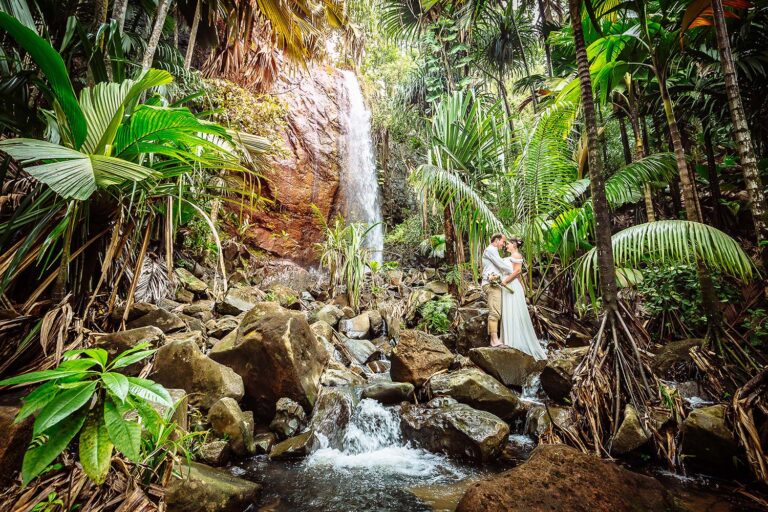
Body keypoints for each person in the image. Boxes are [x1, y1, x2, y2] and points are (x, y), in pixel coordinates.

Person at [500, 237, 547, 360]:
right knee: (509, 312)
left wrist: (505, 281)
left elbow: (517, 271)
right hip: (508, 286)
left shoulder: (517, 255)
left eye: (508, 244)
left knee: (514, 312)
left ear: (514, 245)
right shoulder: (511, 256)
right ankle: (508, 340)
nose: (506, 246)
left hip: (511, 286)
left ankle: (515, 342)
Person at [481, 233, 520, 347]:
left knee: (496, 311)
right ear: (497, 240)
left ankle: (494, 339)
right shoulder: (491, 250)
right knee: (495, 312)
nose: (503, 244)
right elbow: (501, 265)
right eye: (503, 242)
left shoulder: (493, 251)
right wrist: (514, 271)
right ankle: (494, 340)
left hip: (495, 284)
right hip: (491, 284)